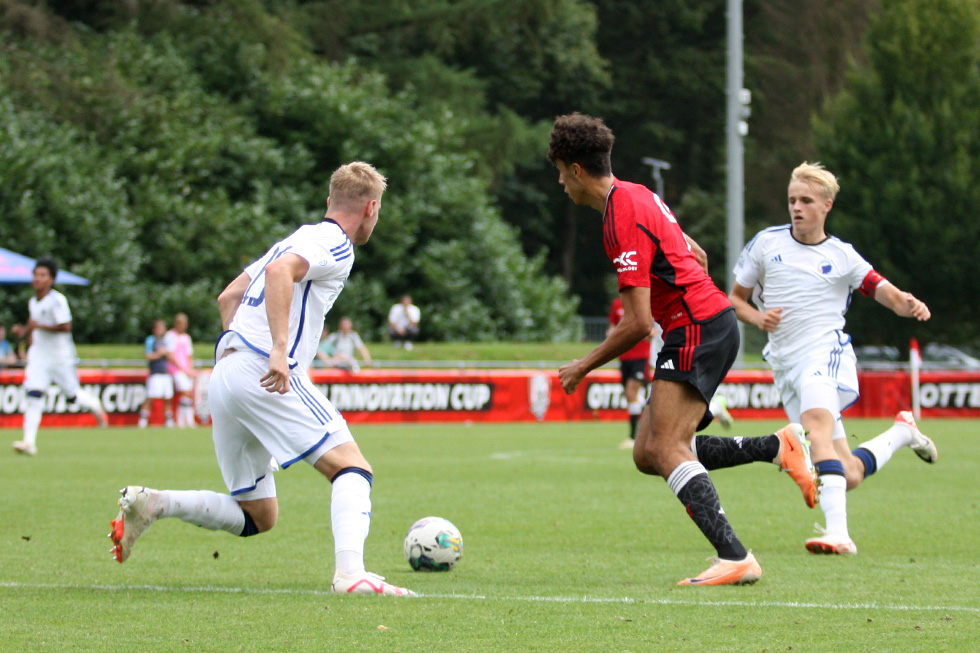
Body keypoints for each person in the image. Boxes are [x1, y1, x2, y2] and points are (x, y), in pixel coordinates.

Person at [108, 161, 414, 597]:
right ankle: (351, 575)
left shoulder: (294, 238)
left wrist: (244, 352)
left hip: (227, 372)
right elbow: (279, 274)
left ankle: (157, 502)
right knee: (352, 467)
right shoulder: (336, 243)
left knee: (257, 514)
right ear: (371, 209)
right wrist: (275, 349)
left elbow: (228, 295)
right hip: (262, 368)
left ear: (330, 202)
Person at [548, 113, 812, 586]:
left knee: (666, 446)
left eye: (561, 172)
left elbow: (638, 323)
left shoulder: (619, 218)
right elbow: (698, 254)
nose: (561, 183)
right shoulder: (639, 194)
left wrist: (582, 367)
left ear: (577, 170)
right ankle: (775, 446)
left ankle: (734, 556)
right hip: (704, 322)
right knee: (648, 452)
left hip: (697, 327)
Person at [728, 162, 937, 555]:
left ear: (826, 205)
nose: (797, 207)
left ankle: (839, 534)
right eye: (792, 200)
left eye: (806, 200)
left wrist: (907, 304)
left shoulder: (842, 255)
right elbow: (735, 298)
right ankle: (903, 432)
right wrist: (758, 318)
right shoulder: (766, 244)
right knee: (850, 472)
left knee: (815, 431)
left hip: (826, 353)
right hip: (785, 363)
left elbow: (884, 291)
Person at [11, 257, 107, 455]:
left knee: (72, 395)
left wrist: (38, 326)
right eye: (36, 275)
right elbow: (33, 324)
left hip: (60, 357)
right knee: (33, 394)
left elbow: (65, 326)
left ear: (51, 280)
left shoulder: (57, 300)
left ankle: (95, 406)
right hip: (39, 356)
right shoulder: (33, 301)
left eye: (43, 275)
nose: (38, 279)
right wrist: (24, 332)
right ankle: (29, 442)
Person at [137, 320, 175, 428]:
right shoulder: (151, 340)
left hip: (165, 373)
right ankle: (143, 421)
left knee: (168, 398)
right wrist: (159, 353)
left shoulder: (166, 340)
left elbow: (171, 355)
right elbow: (148, 356)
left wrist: (166, 353)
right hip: (155, 373)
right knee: (151, 397)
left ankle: (169, 420)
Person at [164, 312, 196, 427]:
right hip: (175, 369)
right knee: (185, 391)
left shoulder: (187, 337)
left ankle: (185, 420)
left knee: (188, 393)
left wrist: (190, 369)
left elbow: (189, 355)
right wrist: (183, 369)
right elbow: (170, 355)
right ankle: (183, 420)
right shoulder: (170, 336)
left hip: (185, 370)